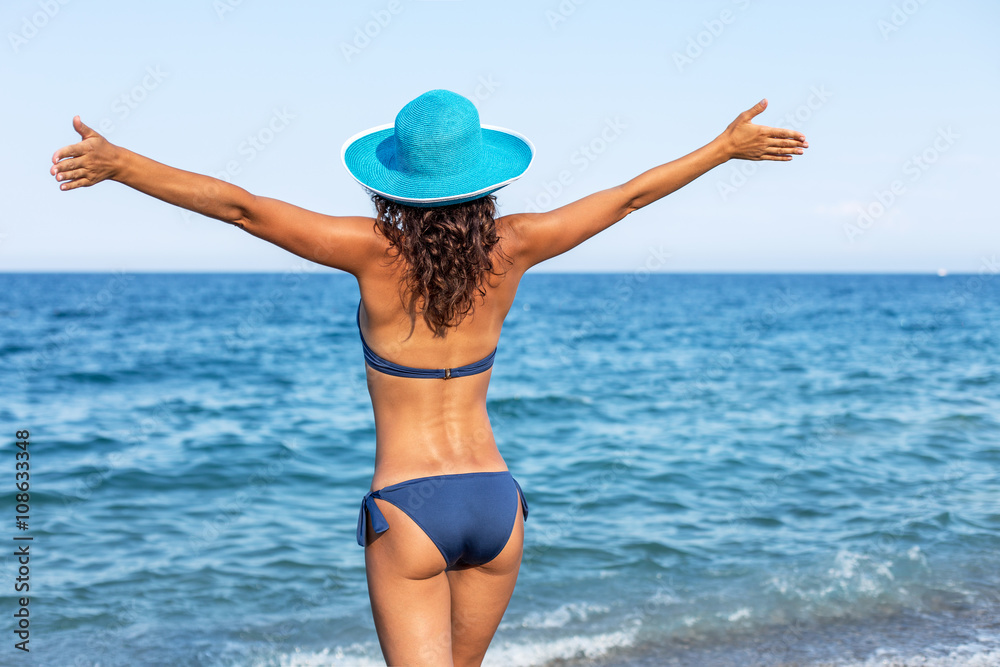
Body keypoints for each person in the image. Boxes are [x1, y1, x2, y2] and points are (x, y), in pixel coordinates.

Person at [50, 88, 807, 666]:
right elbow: (629, 197)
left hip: (409, 511)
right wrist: (722, 148)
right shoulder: (516, 245)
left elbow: (244, 209)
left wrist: (122, 166)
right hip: (496, 503)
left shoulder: (372, 252)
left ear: (395, 181)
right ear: (484, 178)